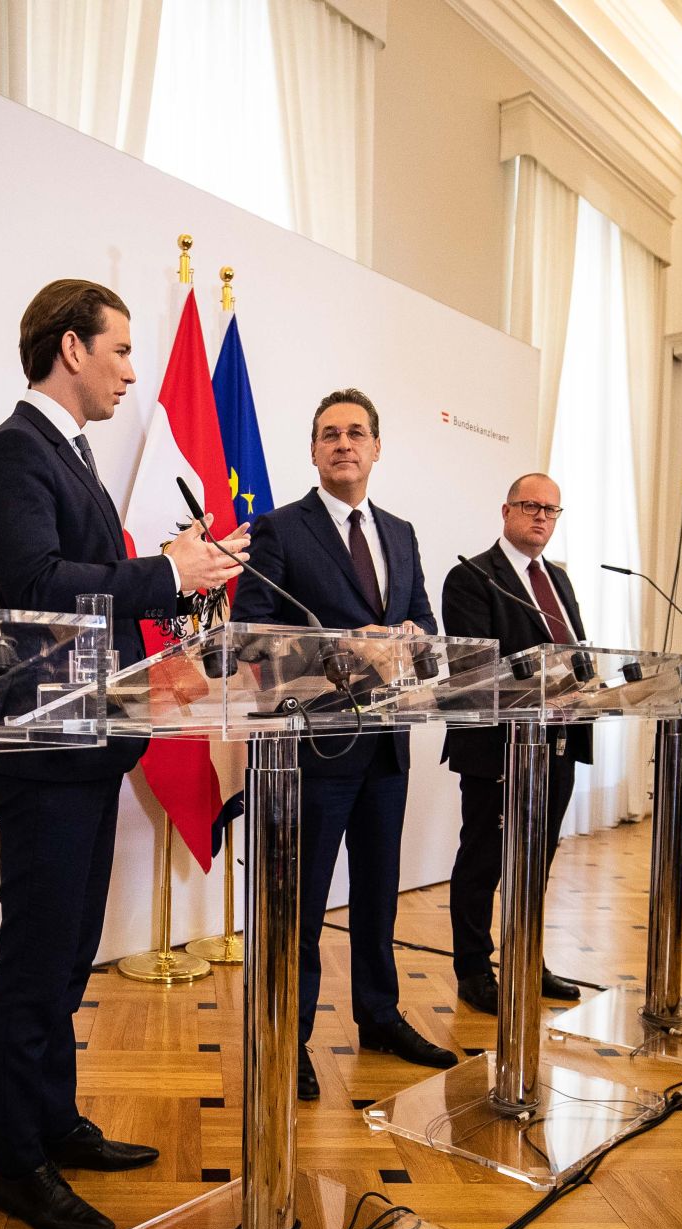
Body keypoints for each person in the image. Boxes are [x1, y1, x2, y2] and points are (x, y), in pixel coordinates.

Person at [0, 279, 247, 1229]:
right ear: (70, 348)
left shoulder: (72, 458)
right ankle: (18, 1163)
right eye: (120, 351)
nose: (132, 370)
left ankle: (55, 1123)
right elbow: (37, 583)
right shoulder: (13, 452)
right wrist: (166, 566)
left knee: (69, 956)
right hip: (44, 743)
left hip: (92, 739)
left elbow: (105, 596)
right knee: (34, 961)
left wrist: (195, 575)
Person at [230, 389, 456, 1100]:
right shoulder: (281, 529)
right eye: (329, 434)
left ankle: (379, 1014)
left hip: (387, 744)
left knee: (378, 894)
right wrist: (344, 651)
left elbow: (420, 619)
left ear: (377, 447)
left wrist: (416, 640)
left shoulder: (402, 531)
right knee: (299, 903)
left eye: (356, 432)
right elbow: (253, 635)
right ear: (314, 451)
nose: (343, 444)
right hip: (316, 748)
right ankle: (284, 1036)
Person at [440, 474, 589, 1015]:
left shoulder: (560, 581)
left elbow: (576, 651)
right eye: (531, 506)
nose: (542, 517)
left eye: (552, 509)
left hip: (559, 740)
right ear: (506, 511)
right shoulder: (472, 576)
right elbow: (475, 669)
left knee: (538, 856)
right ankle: (474, 970)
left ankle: (527, 955)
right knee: (484, 858)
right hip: (498, 746)